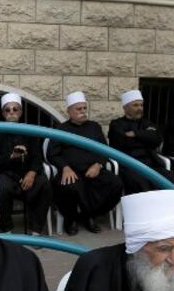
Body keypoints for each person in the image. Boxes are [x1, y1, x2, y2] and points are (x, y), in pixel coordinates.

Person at [47, 91, 123, 234]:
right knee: (69, 187)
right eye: (78, 109)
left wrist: (98, 165)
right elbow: (52, 153)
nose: (83, 112)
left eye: (84, 108)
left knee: (115, 183)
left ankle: (90, 215)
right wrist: (65, 167)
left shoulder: (94, 127)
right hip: (72, 171)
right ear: (69, 111)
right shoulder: (61, 129)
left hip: (93, 170)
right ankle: (71, 219)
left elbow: (105, 149)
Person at [0, 92, 51, 236]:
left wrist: (32, 173)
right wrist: (11, 156)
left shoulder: (29, 131)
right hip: (7, 174)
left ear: (20, 112)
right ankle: (7, 228)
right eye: (7, 110)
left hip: (28, 174)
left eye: (15, 109)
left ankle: (36, 229)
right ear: (3, 113)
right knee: (1, 187)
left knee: (44, 184)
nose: (11, 112)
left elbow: (37, 156)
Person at [108, 89, 174, 194]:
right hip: (129, 165)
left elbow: (157, 139)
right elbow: (124, 143)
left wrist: (135, 134)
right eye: (135, 105)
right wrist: (145, 136)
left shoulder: (146, 122)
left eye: (141, 105)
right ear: (125, 108)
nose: (139, 108)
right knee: (139, 181)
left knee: (169, 177)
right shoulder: (116, 124)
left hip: (150, 164)